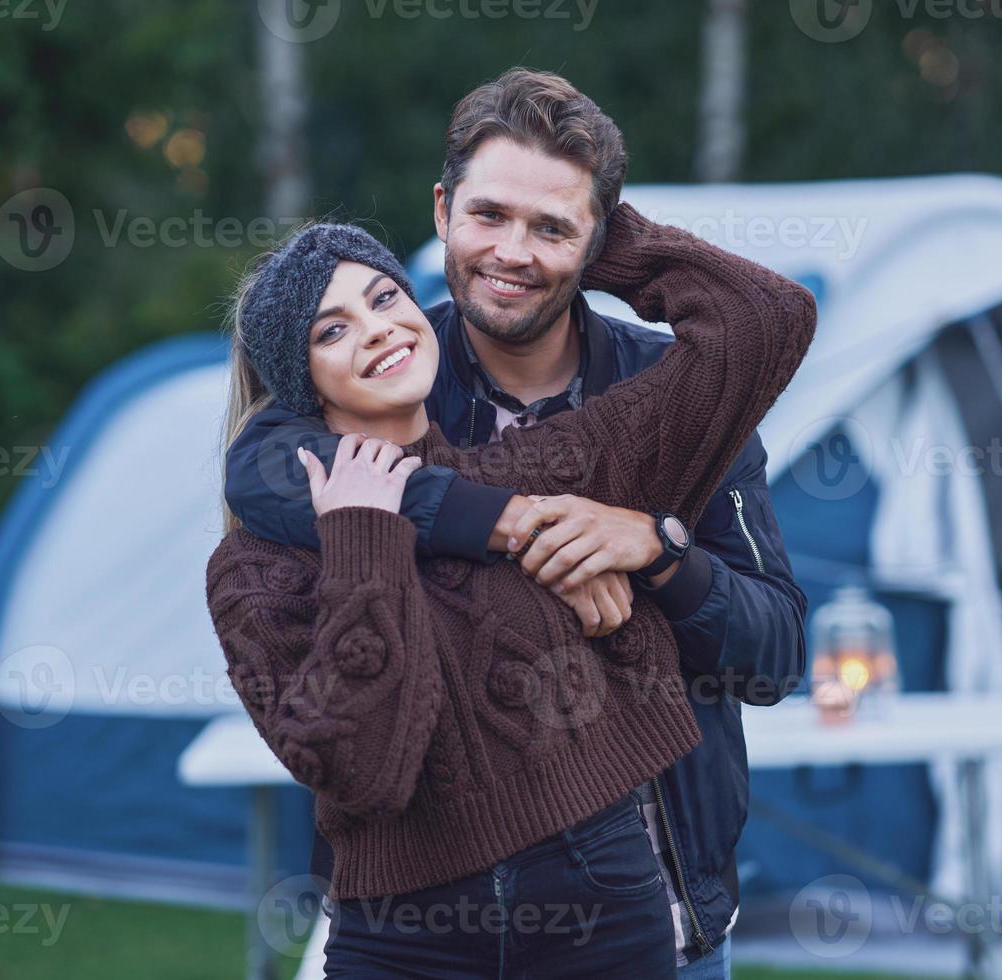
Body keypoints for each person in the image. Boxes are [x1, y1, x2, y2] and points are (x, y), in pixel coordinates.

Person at [224, 69, 811, 978]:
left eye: (552, 227)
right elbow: (259, 465)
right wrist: (510, 522)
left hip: (654, 912)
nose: (511, 252)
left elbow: (771, 662)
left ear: (597, 238)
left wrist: (656, 553)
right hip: (424, 926)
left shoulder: (663, 403)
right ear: (441, 211)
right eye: (488, 214)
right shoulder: (385, 376)